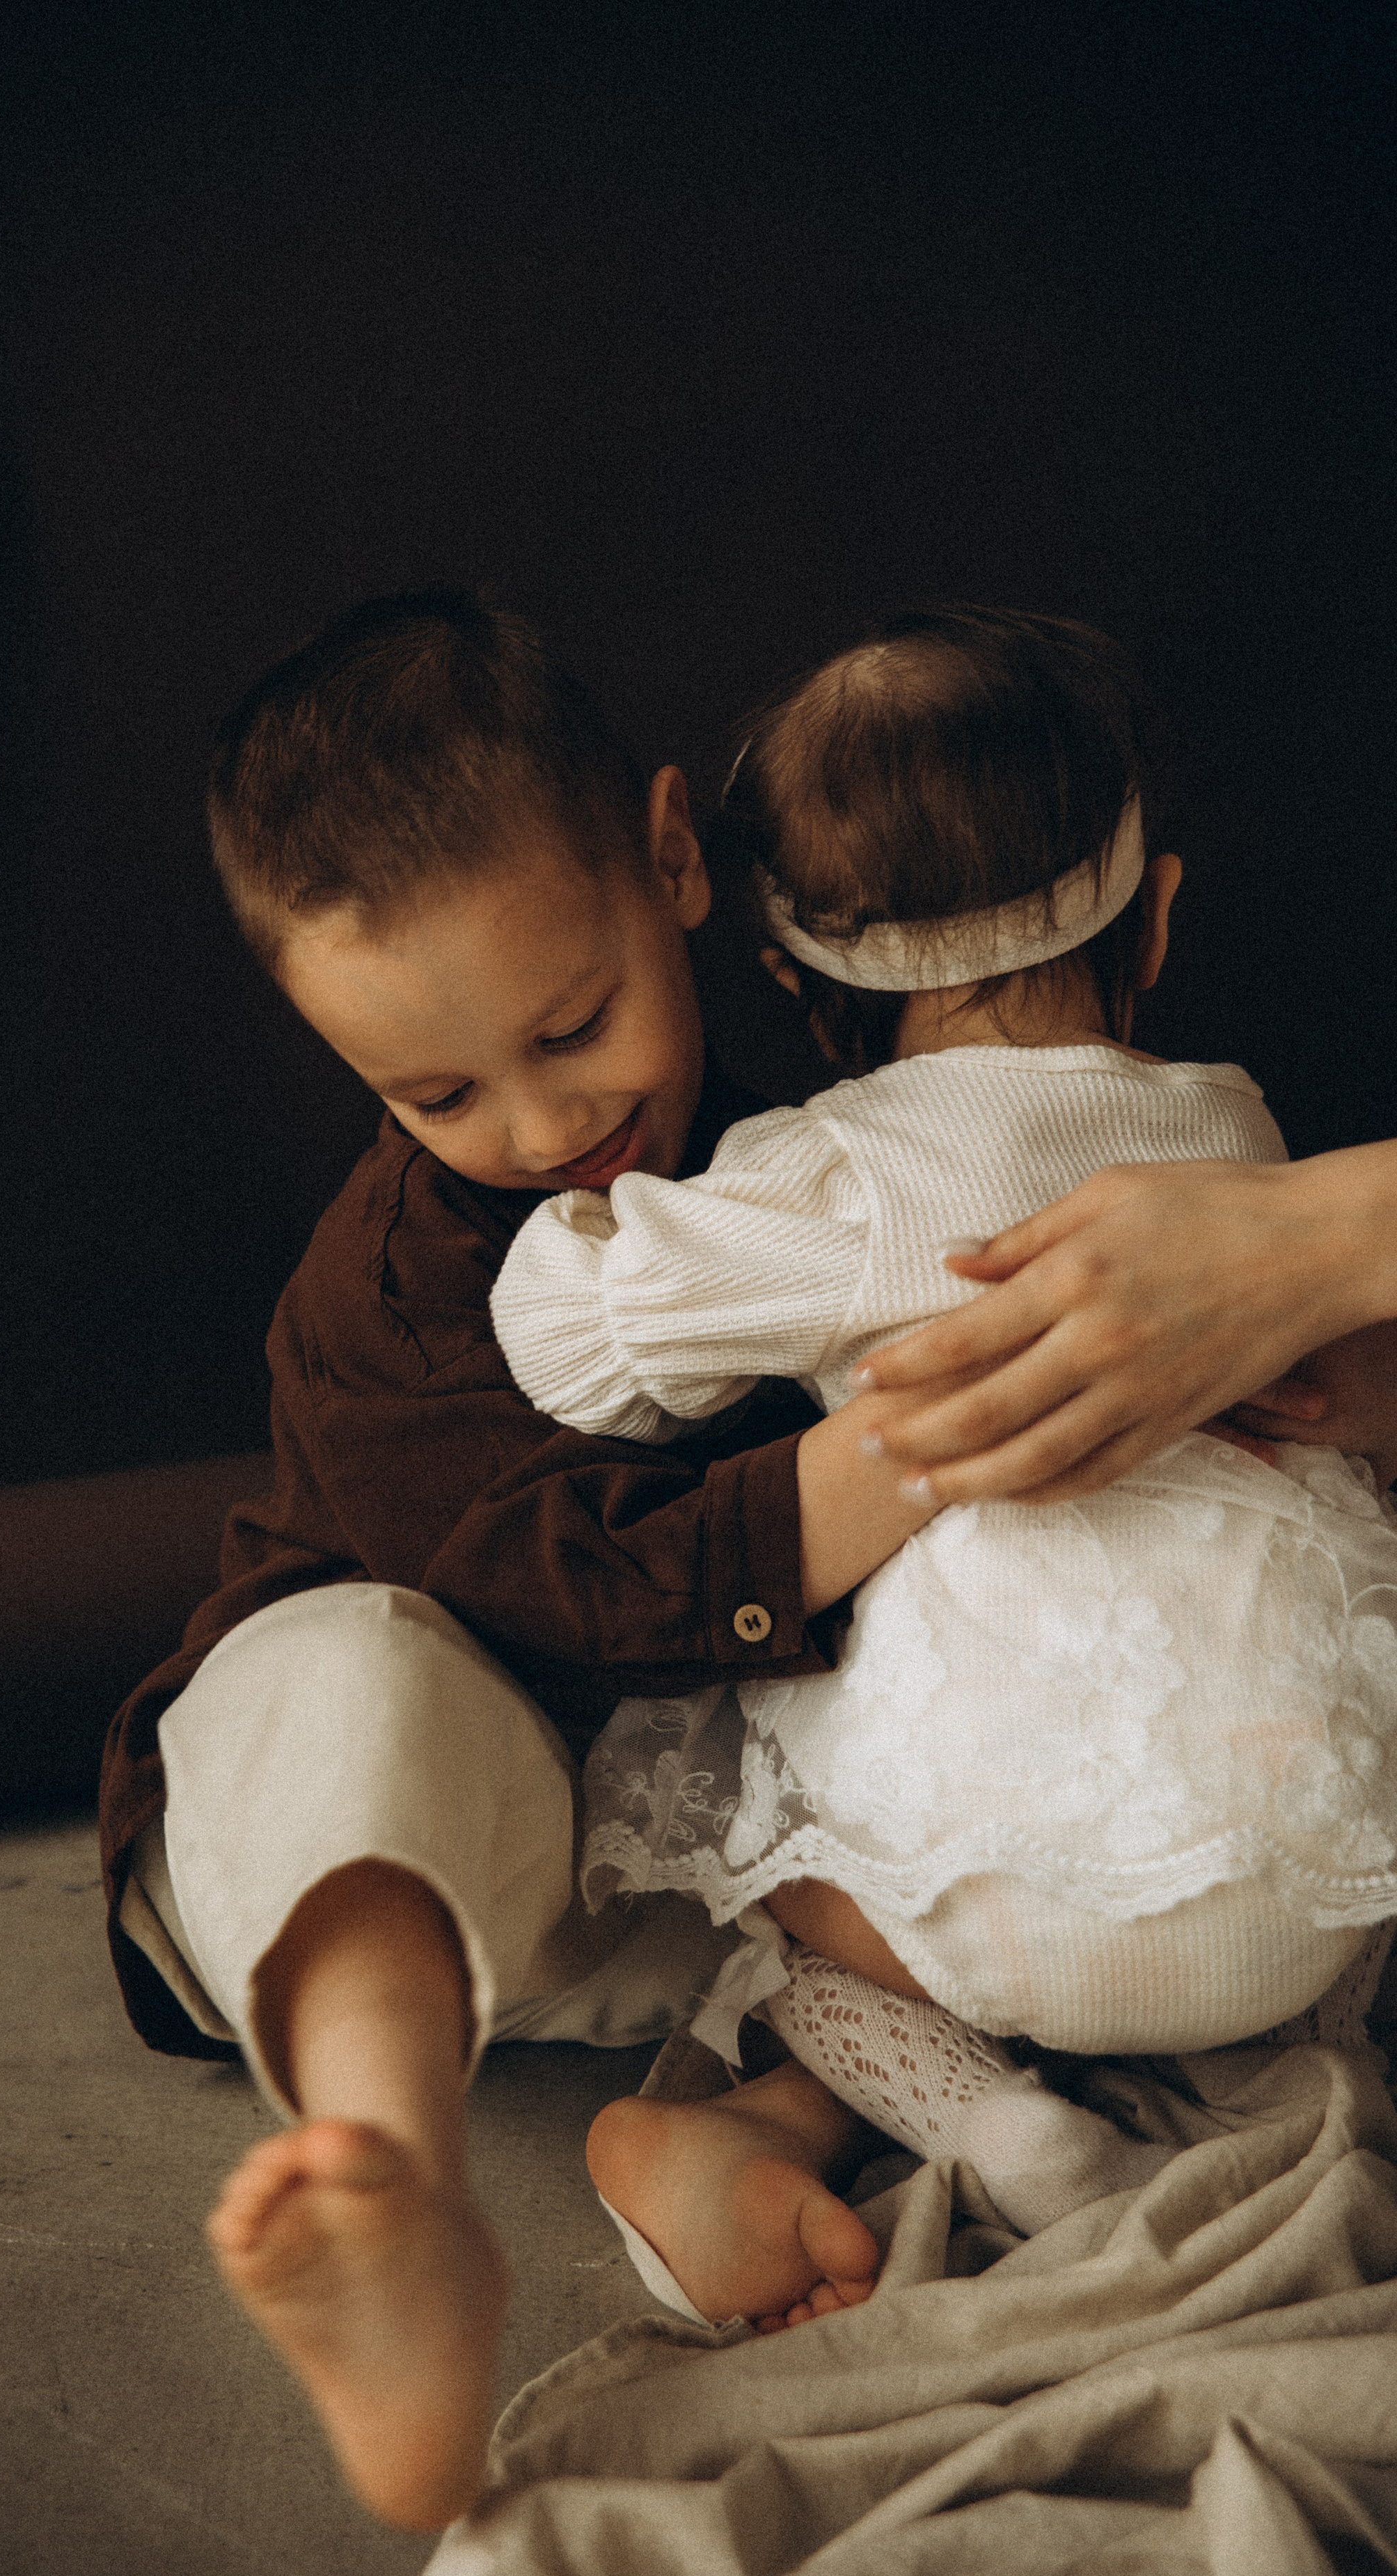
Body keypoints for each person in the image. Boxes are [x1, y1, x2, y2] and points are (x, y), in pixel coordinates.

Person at [100, 589, 974, 2530]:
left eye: (570, 1027)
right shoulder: (391, 1300)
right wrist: (917, 1441)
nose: (538, 1123)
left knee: (1063, 1746)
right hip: (418, 1830)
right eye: (435, 1095)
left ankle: (751, 2122)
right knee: (345, 1669)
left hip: (706, 1864)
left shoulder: (825, 1117)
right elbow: (568, 1580)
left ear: (670, 859)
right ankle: (390, 2180)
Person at [489, 608, 1397, 2322]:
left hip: (988, 1907)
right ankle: (1241, 2049)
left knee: (752, 1839)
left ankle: (987, 2120)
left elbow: (572, 1352)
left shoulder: (829, 1179)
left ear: (789, 984)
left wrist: (588, 1225)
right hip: (1315, 1889)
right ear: (1156, 913)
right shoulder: (1240, 1140)